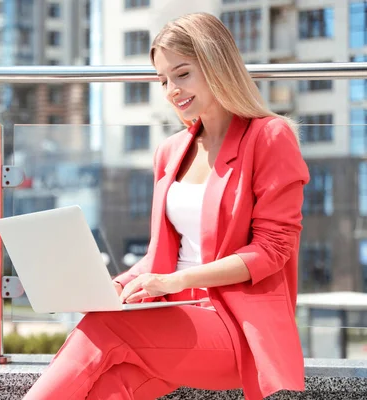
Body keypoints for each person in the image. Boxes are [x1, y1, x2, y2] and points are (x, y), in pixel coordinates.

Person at [24, 12, 309, 400]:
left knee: (104, 327)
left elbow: (273, 251)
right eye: (162, 80)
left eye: (182, 73)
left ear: (215, 64)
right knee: (106, 389)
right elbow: (163, 255)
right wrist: (119, 285)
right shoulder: (172, 151)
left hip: (236, 327)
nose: (171, 89)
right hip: (173, 322)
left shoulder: (269, 137)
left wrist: (174, 282)